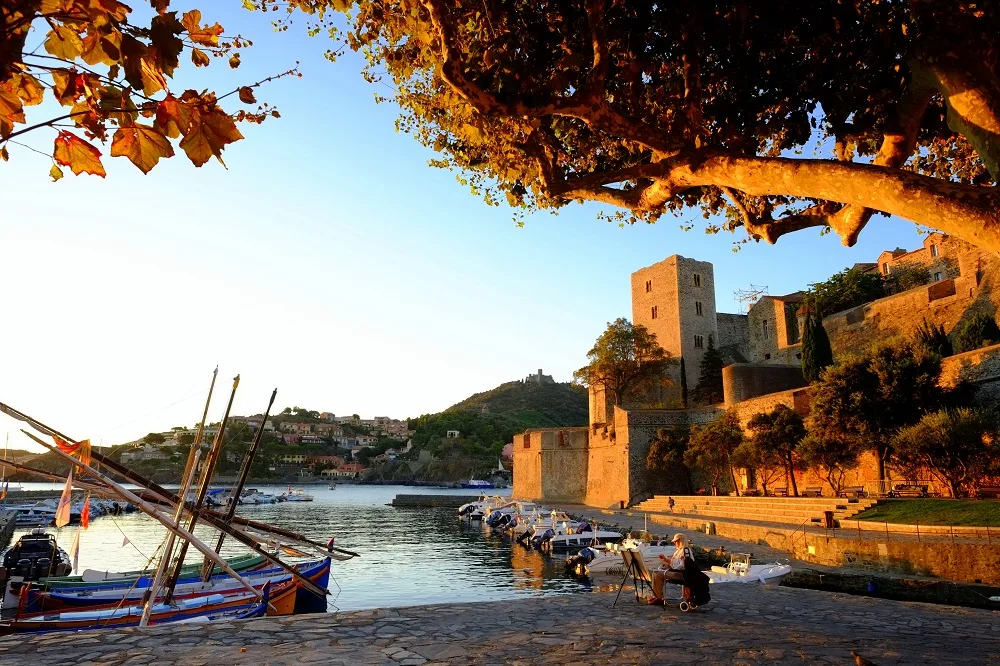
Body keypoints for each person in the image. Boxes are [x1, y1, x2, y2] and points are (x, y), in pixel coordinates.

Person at [649, 533, 694, 604]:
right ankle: (657, 596)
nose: (674, 543)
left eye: (676, 541)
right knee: (655, 572)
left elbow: (683, 565)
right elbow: (674, 563)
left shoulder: (685, 551)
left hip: (681, 574)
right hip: (676, 571)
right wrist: (665, 560)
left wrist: (671, 569)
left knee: (657, 574)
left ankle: (658, 598)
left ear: (681, 541)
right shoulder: (678, 551)